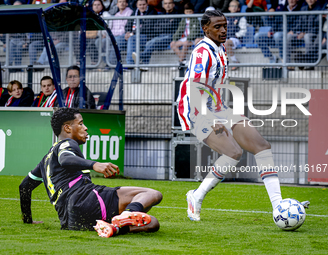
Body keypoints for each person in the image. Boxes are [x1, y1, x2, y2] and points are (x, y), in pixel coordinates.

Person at [176, 10, 310, 221]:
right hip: (196, 110)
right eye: (217, 27)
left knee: (261, 145)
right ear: (205, 29)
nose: (223, 30)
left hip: (217, 106)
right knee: (233, 152)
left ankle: (278, 207)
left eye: (225, 26)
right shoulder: (202, 52)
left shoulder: (220, 49)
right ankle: (197, 196)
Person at [19, 108, 162, 237]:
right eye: (81, 124)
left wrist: (28, 220)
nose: (85, 128)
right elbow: (66, 159)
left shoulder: (45, 160)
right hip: (86, 199)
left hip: (70, 220)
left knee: (152, 223)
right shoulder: (67, 143)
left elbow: (24, 187)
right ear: (67, 128)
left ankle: (114, 228)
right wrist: (95, 164)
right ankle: (126, 215)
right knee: (152, 194)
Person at [132, 0, 180, 66]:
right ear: (163, 5)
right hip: (160, 36)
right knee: (149, 43)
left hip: (171, 37)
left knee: (154, 41)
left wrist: (163, 25)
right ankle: (144, 65)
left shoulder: (177, 14)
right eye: (166, 3)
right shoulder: (161, 14)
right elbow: (156, 27)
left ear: (173, 5)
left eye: (169, 3)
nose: (168, 5)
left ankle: (141, 56)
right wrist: (167, 24)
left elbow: (173, 27)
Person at [287, 0, 322, 69]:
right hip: (302, 34)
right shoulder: (303, 9)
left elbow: (318, 26)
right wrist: (293, 31)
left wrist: (304, 33)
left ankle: (309, 64)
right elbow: (299, 24)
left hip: (314, 34)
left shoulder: (320, 8)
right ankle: (288, 63)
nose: (310, 0)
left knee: (307, 36)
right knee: (288, 36)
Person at [99, 0, 133, 65]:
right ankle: (106, 62)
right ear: (117, 4)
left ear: (127, 4)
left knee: (116, 40)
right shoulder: (116, 15)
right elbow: (113, 29)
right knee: (100, 41)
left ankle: (111, 64)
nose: (122, 3)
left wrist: (114, 35)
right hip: (115, 35)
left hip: (124, 35)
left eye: (123, 2)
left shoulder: (130, 12)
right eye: (120, 2)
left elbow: (125, 28)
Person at [124, 0, 157, 64]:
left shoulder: (152, 12)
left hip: (147, 36)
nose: (142, 6)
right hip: (134, 34)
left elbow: (147, 28)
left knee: (132, 38)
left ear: (147, 4)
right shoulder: (135, 12)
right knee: (117, 39)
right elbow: (128, 24)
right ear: (137, 5)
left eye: (144, 4)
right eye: (140, 5)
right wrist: (128, 32)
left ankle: (130, 64)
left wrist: (133, 33)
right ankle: (113, 65)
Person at [224, 0, 248, 70]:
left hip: (236, 39)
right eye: (232, 6)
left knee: (226, 43)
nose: (233, 8)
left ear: (238, 8)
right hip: (226, 38)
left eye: (235, 6)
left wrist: (236, 35)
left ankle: (235, 61)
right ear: (229, 8)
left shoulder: (241, 18)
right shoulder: (225, 18)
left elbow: (243, 31)